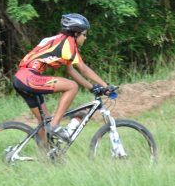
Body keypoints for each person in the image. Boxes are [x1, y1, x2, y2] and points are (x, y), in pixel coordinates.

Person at [12, 13, 111, 142]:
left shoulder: (58, 40)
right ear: (76, 33)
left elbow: (71, 70)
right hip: (29, 78)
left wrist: (92, 87)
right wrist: (106, 85)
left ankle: (45, 158)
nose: (85, 38)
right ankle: (55, 125)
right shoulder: (68, 43)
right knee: (72, 86)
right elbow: (82, 68)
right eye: (84, 34)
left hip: (21, 78)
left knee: (44, 122)